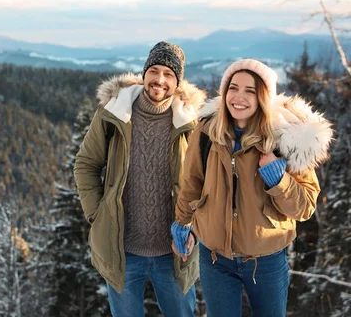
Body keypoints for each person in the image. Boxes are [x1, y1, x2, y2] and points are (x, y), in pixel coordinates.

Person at [171, 59, 333, 317]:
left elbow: (305, 207)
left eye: (250, 90)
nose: (239, 97)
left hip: (266, 261)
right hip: (215, 260)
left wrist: (278, 181)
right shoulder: (206, 132)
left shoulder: (286, 140)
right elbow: (192, 183)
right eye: (233, 88)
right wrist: (182, 222)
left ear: (263, 97)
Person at [74, 42, 206, 317]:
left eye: (168, 74)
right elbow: (86, 164)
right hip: (123, 249)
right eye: (154, 71)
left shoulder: (191, 123)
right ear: (145, 72)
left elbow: (206, 182)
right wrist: (97, 213)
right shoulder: (114, 114)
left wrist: (194, 228)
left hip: (175, 251)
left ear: (177, 81)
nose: (160, 80)